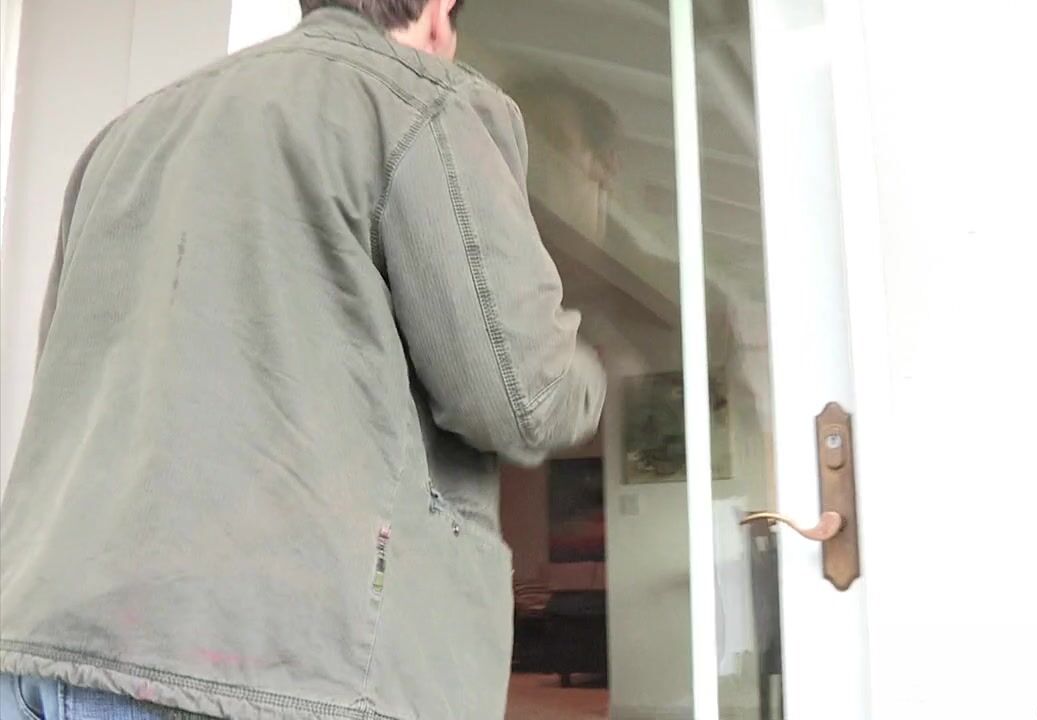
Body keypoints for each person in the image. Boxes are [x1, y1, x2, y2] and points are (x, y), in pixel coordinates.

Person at [0, 0, 606, 717]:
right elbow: (523, 395)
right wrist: (597, 375)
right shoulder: (421, 103)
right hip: (261, 670)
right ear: (440, 13)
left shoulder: (124, 138)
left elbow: (64, 376)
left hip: (38, 648)